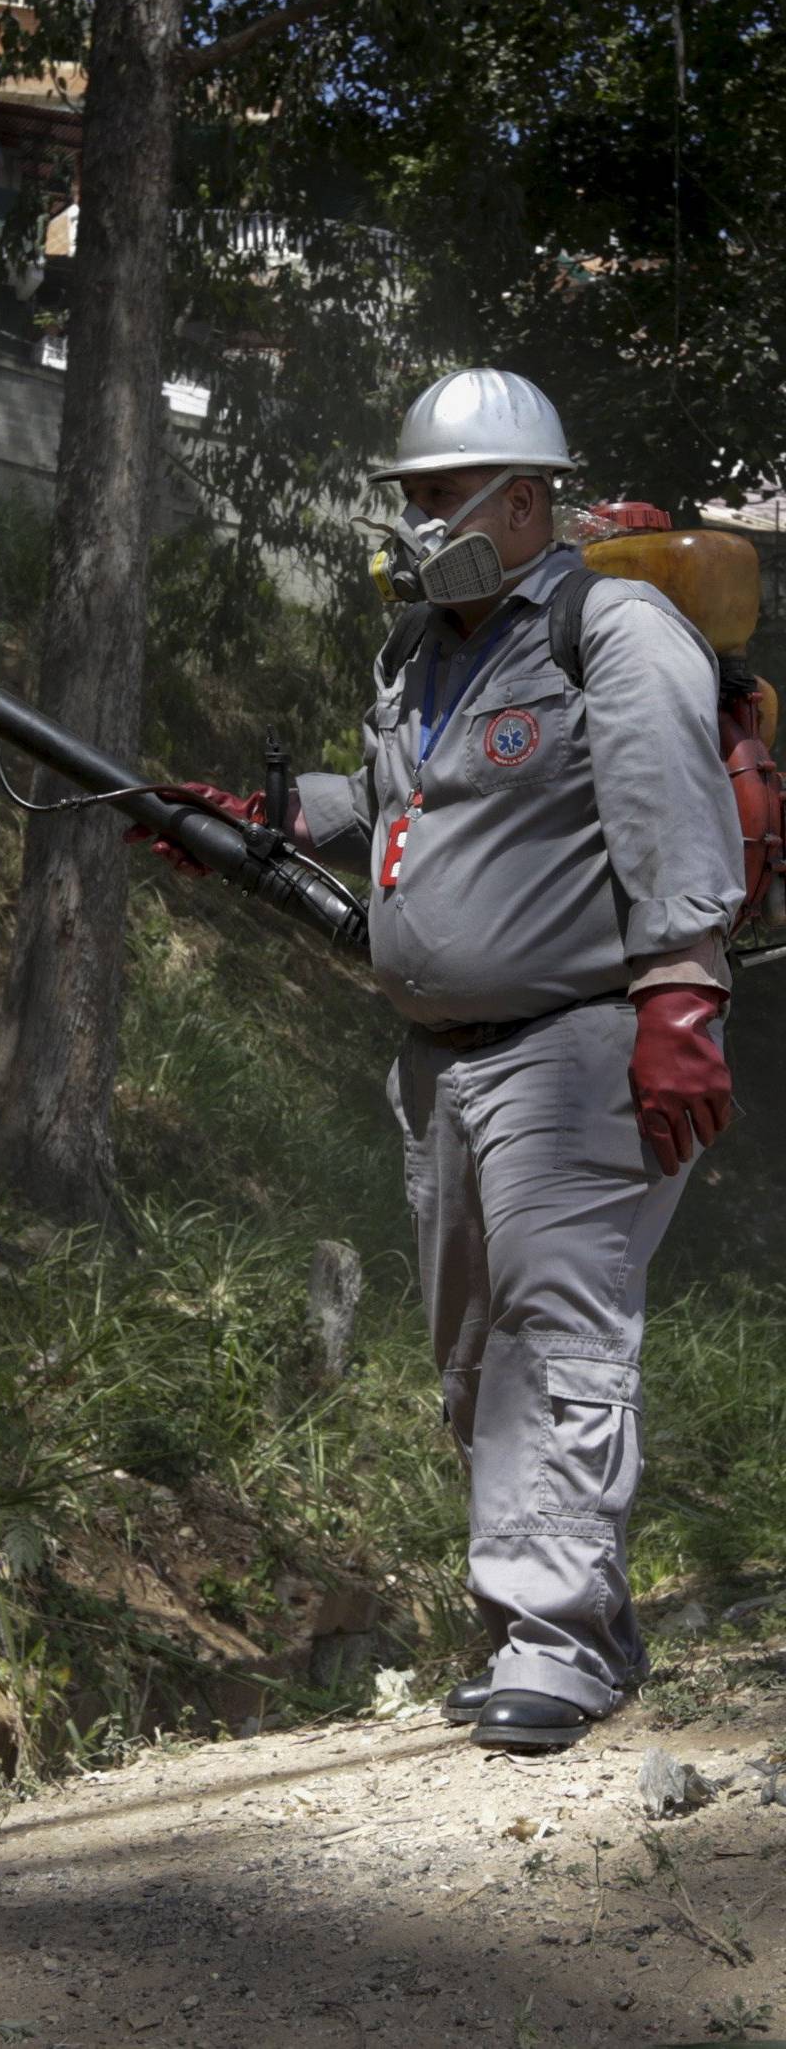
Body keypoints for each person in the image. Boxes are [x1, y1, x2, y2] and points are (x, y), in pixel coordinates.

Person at [157, 368, 747, 1750]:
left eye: (438, 498)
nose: (415, 525)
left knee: (556, 1326)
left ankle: (552, 1641)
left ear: (525, 496)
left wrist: (679, 1007)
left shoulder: (613, 627)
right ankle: (569, 1625)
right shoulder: (423, 649)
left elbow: (673, 815)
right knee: (475, 1354)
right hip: (441, 1066)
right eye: (408, 499)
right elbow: (391, 804)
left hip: (580, 1047)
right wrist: (251, 811)